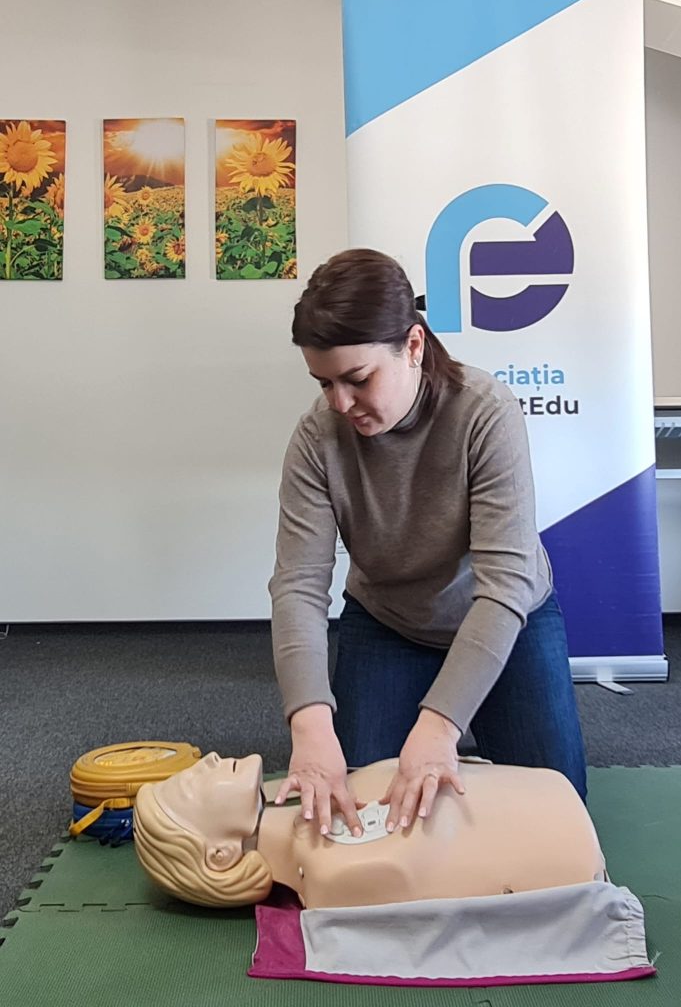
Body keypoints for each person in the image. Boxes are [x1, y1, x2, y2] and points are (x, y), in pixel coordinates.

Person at [269, 248, 586, 841]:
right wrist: (310, 728)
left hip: (504, 619)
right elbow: (298, 587)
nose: (340, 403)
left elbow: (505, 587)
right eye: (324, 383)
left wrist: (439, 728)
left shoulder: (485, 411)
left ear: (413, 345)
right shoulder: (317, 437)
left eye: (357, 379)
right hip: (388, 622)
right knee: (360, 821)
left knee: (559, 819)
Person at [134, 752, 604, 909]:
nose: (209, 759)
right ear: (220, 855)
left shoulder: (330, 843)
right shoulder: (331, 873)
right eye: (192, 784)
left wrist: (441, 727)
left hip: (555, 810)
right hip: (569, 847)